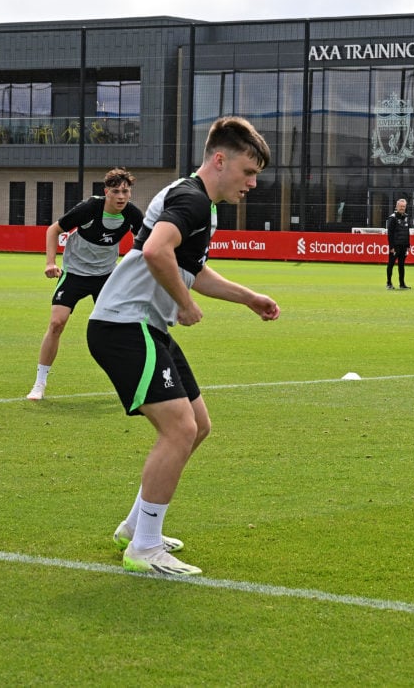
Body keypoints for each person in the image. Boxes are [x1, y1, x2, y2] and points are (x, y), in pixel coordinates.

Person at [87, 116, 280, 575]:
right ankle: (144, 548)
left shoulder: (199, 203)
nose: (252, 183)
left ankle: (137, 527)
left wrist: (248, 298)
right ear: (219, 159)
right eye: (247, 172)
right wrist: (184, 303)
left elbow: (190, 267)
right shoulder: (192, 199)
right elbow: (156, 251)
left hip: (144, 325)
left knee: (198, 423)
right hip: (124, 325)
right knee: (179, 429)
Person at [27, 168, 144, 400]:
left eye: (125, 191)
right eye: (116, 191)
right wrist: (51, 263)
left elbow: (146, 243)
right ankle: (39, 383)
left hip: (106, 277)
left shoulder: (132, 214)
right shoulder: (90, 208)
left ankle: (133, 383)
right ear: (106, 192)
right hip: (75, 273)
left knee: (119, 329)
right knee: (57, 323)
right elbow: (54, 229)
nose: (121, 196)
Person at [385, 198, 411, 290]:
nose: (402, 208)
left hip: (404, 245)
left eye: (404, 206)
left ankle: (402, 284)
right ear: (396, 206)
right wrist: (391, 246)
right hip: (395, 246)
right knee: (391, 264)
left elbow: (407, 232)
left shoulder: (407, 217)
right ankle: (388, 283)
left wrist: (408, 245)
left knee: (401, 265)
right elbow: (390, 233)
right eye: (400, 206)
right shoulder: (392, 218)